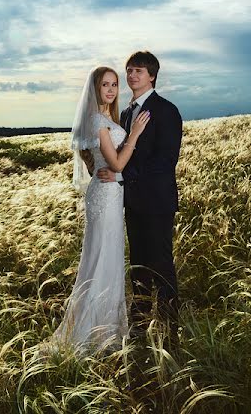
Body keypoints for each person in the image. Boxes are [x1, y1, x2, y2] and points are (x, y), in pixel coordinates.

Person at [46, 66, 150, 355]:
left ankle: (106, 328)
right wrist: (136, 134)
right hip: (105, 196)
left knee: (109, 256)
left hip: (109, 192)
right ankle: (92, 332)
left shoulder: (105, 119)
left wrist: (99, 167)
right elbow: (116, 164)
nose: (111, 90)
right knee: (102, 256)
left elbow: (96, 160)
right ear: (95, 89)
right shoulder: (96, 120)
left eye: (115, 84)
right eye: (105, 85)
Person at [97, 51, 182, 351]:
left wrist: (121, 177)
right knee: (138, 267)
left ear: (152, 76)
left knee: (161, 264)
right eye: (130, 70)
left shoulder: (166, 111)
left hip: (157, 202)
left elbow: (165, 161)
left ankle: (171, 330)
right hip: (132, 203)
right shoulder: (126, 114)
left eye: (139, 71)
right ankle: (142, 326)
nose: (132, 76)